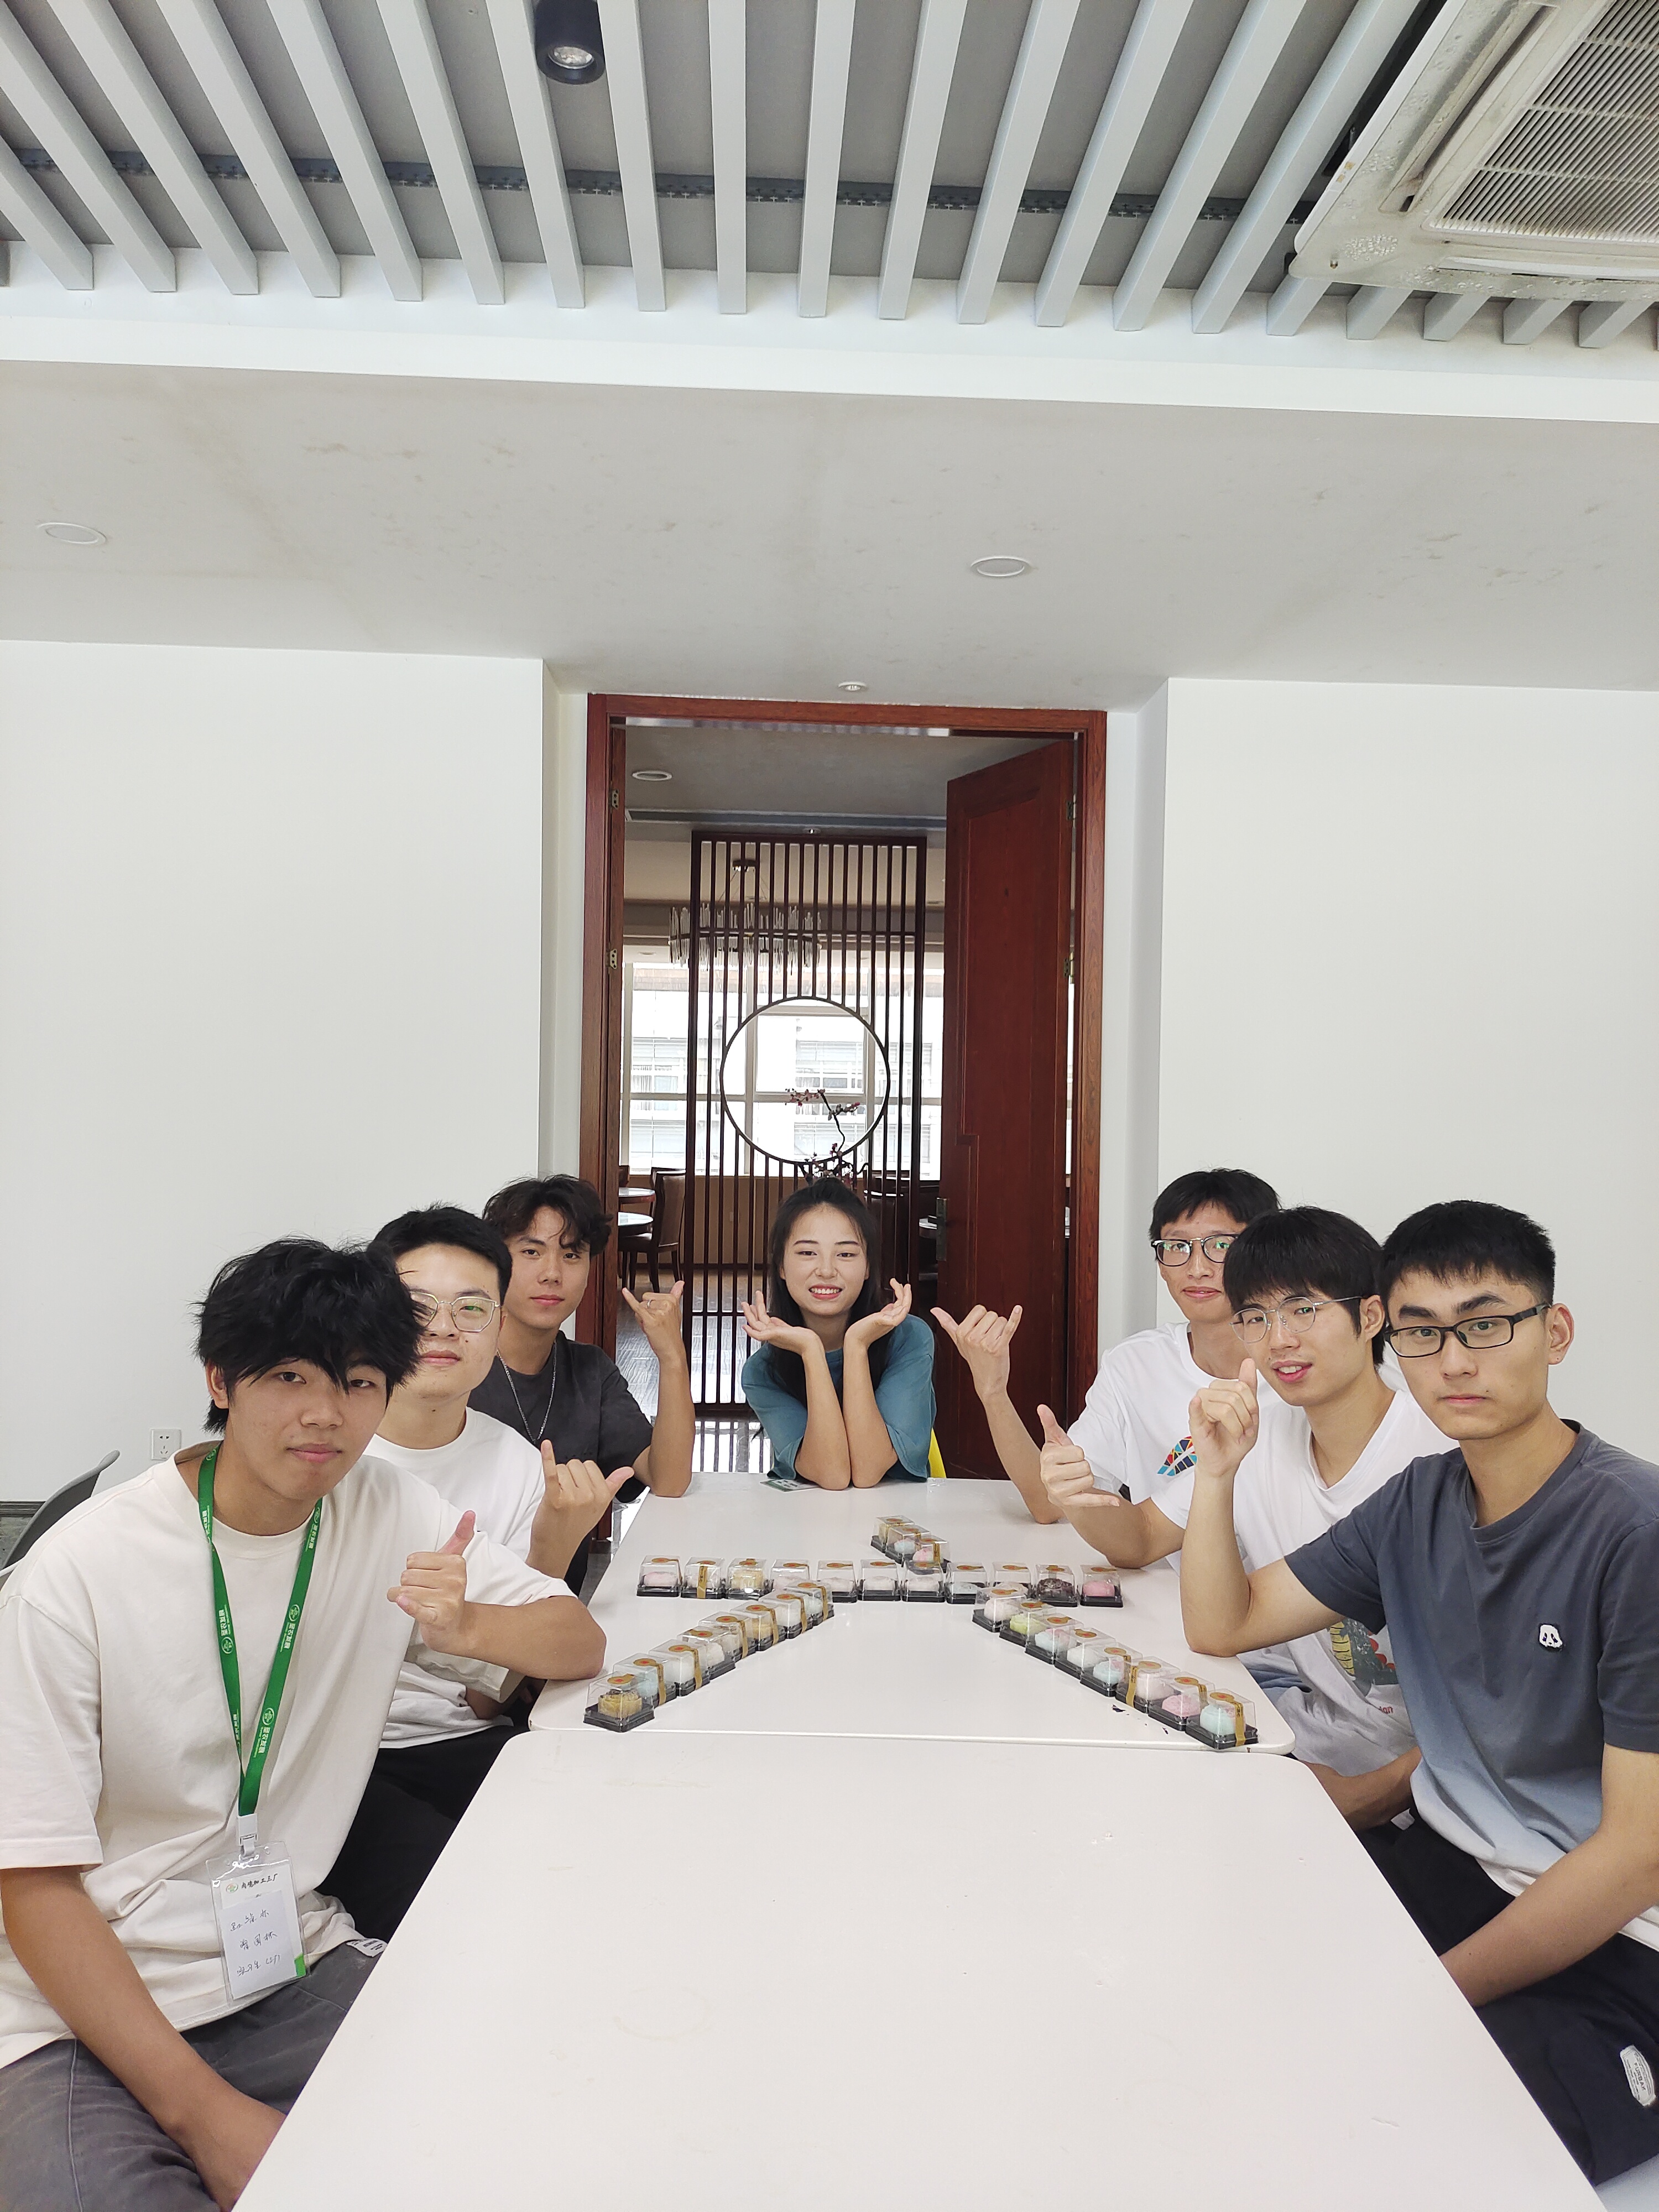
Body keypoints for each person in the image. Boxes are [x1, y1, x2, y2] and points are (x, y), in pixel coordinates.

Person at [0, 1239, 605, 2210]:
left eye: (358, 1382)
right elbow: (31, 1884)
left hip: (281, 1966)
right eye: (289, 1376)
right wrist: (205, 2116)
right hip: (71, 2016)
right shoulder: (72, 1580)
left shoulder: (385, 1507)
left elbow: (577, 1640)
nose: (326, 1414)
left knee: (528, 2112)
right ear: (221, 1381)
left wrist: (464, 1627)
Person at [1180, 1201, 1659, 2185]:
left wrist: (1424, 1994)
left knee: (1432, 2141)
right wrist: (1217, 1476)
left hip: (1616, 1941)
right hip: (1446, 1865)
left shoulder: (1634, 1531)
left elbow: (1636, 1856)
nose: (1454, 1362)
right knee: (1216, 2008)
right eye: (1423, 1334)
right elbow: (1223, 1623)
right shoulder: (1418, 1500)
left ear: (1554, 1332)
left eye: (1486, 1325)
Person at [324, 1206, 622, 1940]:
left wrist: (550, 1548)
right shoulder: (323, 1456)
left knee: (600, 1857)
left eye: (471, 1309)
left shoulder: (513, 1460)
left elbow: (492, 1697)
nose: (443, 1329)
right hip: (332, 1757)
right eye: (415, 1307)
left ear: (498, 1325)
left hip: (462, 1738)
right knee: (475, 1910)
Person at [1160, 1206, 1445, 1830]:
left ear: (1371, 1317)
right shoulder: (1263, 1433)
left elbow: (1504, 1705)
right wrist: (1216, 1473)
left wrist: (1372, 1795)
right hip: (1310, 1740)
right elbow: (1212, 1629)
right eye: (1255, 1317)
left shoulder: (1437, 1457)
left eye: (1303, 1309)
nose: (1278, 1339)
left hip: (1427, 1794)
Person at [937, 1166, 1279, 1547]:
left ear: (1265, 1255)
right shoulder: (1135, 1365)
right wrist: (992, 1391)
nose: (1197, 1269)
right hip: (1165, 1581)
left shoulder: (1300, 1370)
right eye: (1177, 1247)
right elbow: (1051, 1504)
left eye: (1222, 1246)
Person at [471, 1174, 693, 1597]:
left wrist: (672, 1357)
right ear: (495, 1263)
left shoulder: (590, 1370)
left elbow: (669, 1479)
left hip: (555, 1610)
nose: (552, 1273)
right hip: (462, 1609)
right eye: (531, 1252)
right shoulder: (456, 1368)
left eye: (572, 1254)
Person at [740, 1176, 934, 1488]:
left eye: (846, 1254)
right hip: (809, 1517)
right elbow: (832, 1475)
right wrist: (810, 1350)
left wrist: (856, 1344)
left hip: (898, 1515)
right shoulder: (763, 1371)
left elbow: (868, 1471)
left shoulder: (908, 1338)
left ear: (868, 1266)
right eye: (807, 1253)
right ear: (781, 1266)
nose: (827, 1271)